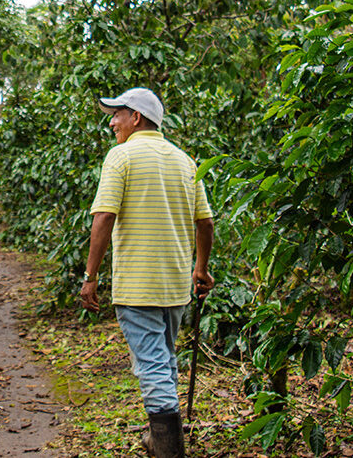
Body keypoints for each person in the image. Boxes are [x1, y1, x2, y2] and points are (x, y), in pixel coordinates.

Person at [78, 87, 215, 458]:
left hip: (138, 286)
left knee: (154, 366)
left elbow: (104, 216)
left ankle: (169, 449)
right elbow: (205, 223)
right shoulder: (186, 161)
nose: (112, 123)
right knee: (164, 359)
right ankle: (160, 439)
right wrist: (200, 268)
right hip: (174, 285)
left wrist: (90, 276)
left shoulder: (121, 157)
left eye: (116, 115)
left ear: (136, 117)